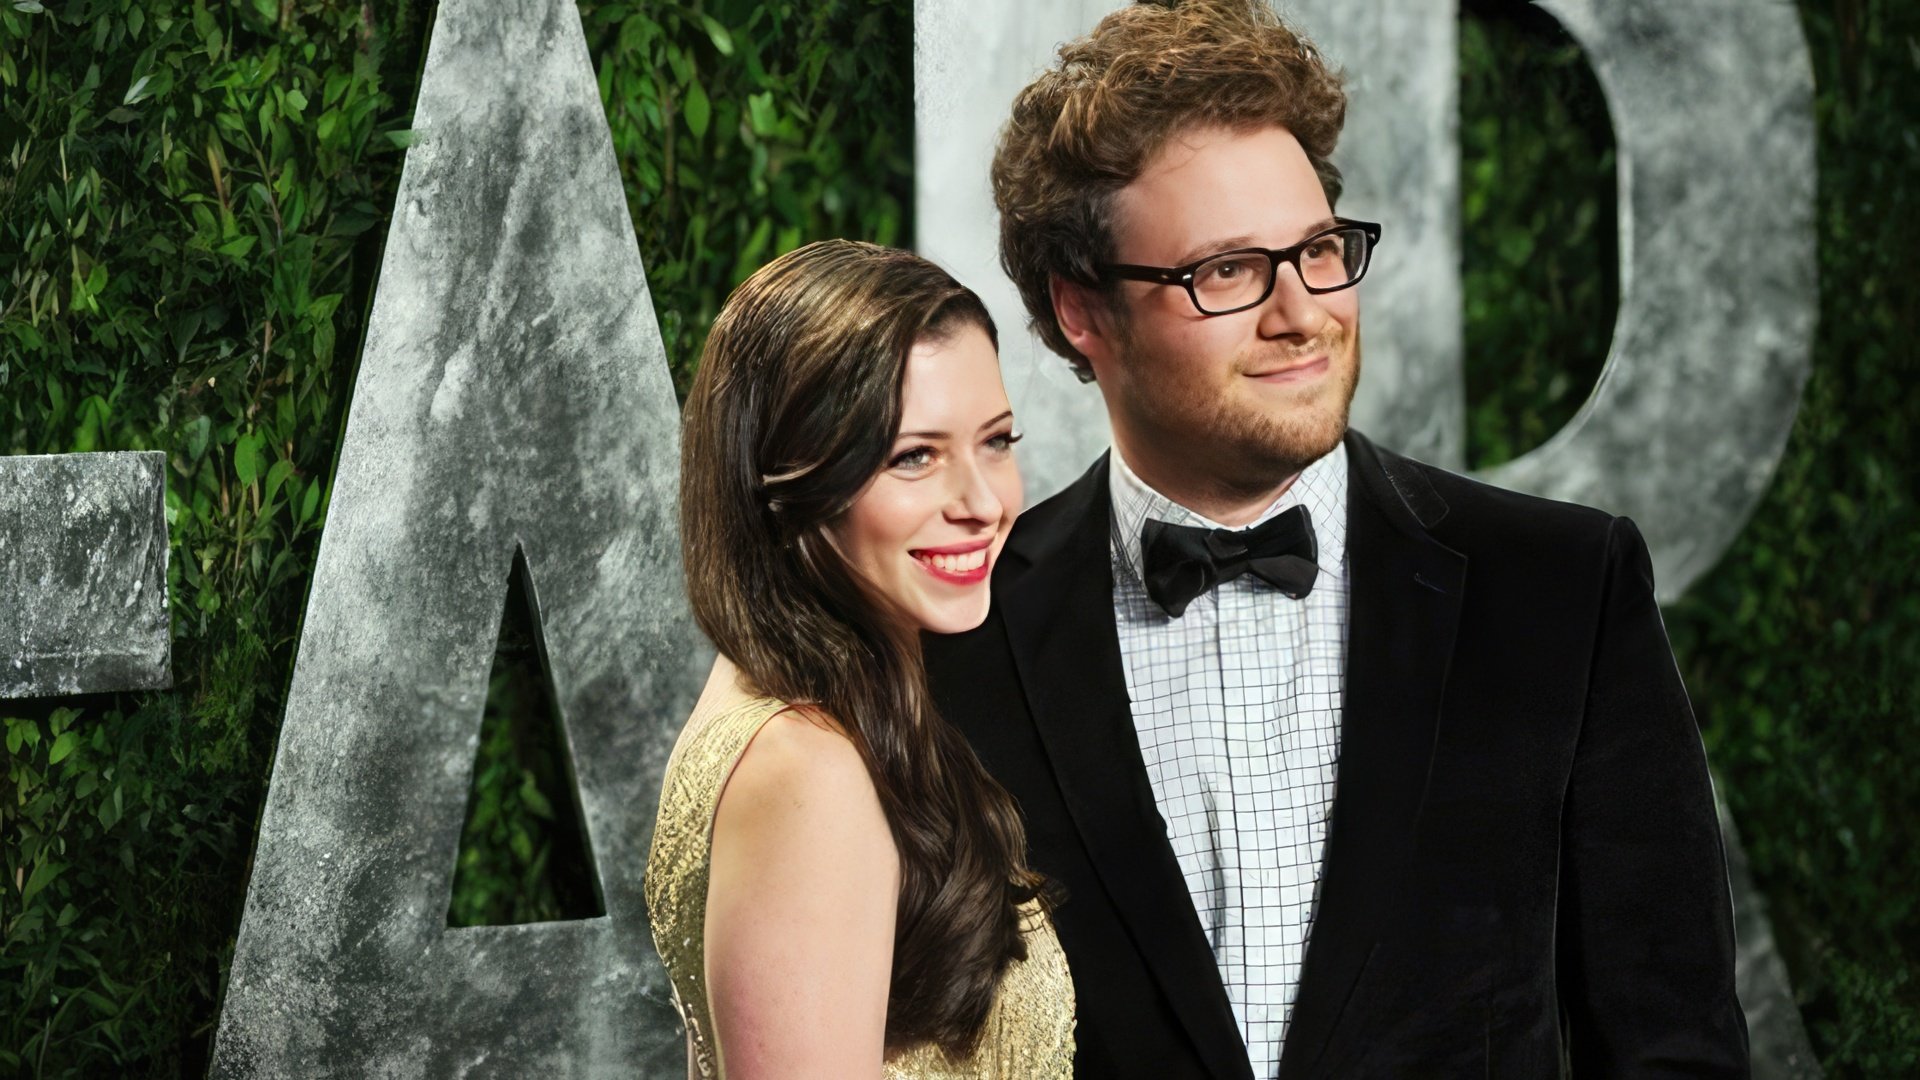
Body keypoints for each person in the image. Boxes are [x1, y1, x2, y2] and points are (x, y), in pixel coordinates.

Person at [923, 1, 1748, 1076]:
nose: (1303, 311)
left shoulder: (1561, 590)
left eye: (1318, 250)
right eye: (1227, 271)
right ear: (1083, 311)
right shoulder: (956, 633)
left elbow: (1673, 1050)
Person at [644, 239, 1074, 1079]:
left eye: (995, 441)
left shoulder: (805, 708)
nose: (984, 504)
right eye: (913, 456)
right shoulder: (806, 770)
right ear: (791, 481)